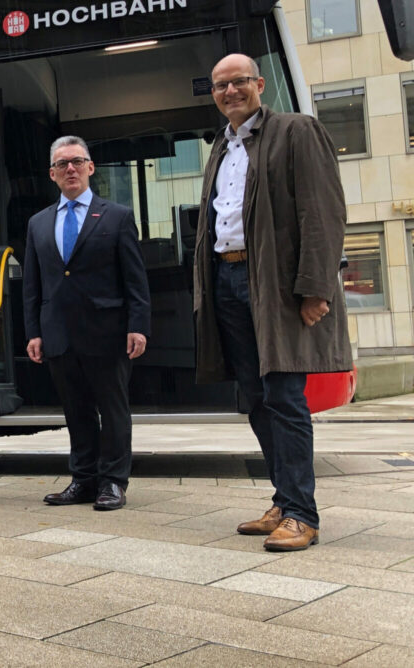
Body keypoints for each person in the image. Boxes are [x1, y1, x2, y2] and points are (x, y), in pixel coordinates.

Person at [194, 54, 351, 551]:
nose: (230, 91)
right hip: (228, 279)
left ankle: (302, 514)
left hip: (276, 286)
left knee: (284, 397)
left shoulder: (297, 130)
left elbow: (323, 213)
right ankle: (284, 502)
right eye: (221, 86)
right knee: (256, 398)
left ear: (259, 84)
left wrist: (316, 288)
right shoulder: (222, 145)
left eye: (239, 82)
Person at [24, 136, 151, 512]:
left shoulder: (117, 216)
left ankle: (113, 481)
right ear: (52, 174)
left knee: (112, 409)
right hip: (58, 333)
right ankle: (83, 479)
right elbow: (33, 284)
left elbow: (135, 279)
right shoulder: (38, 223)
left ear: (91, 168)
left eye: (77, 162)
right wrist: (33, 331)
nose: (71, 169)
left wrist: (138, 324)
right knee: (75, 411)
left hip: (107, 332)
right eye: (62, 164)